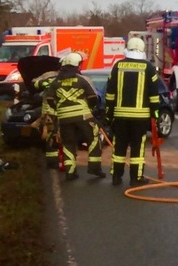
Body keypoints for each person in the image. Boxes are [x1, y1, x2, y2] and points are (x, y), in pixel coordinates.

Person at [104, 37, 161, 186]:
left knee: (119, 146)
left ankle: (116, 177)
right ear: (142, 50)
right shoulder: (148, 68)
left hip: (120, 116)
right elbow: (154, 95)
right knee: (137, 147)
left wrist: (108, 114)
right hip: (140, 117)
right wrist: (155, 114)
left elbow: (110, 93)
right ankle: (135, 179)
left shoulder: (117, 66)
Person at [43, 52, 103, 181]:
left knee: (68, 144)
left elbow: (49, 99)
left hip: (64, 118)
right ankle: (94, 168)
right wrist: (90, 108)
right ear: (77, 66)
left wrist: (59, 109)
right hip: (83, 116)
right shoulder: (82, 80)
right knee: (93, 139)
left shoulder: (55, 82)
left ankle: (70, 172)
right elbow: (93, 97)